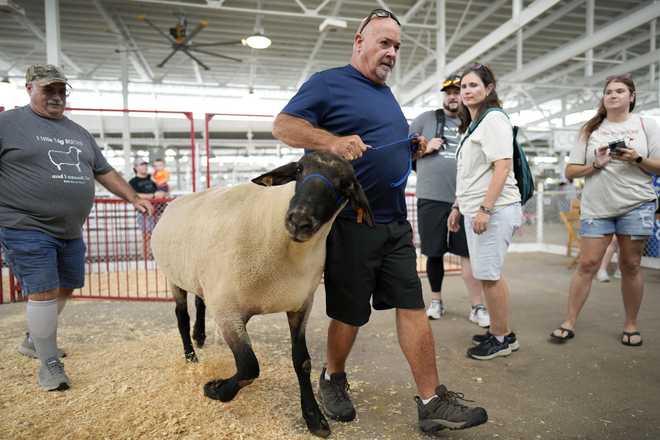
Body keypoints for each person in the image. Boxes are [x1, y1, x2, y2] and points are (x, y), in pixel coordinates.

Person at [271, 9, 487, 434]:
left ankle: (430, 402)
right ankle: (333, 377)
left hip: (394, 223)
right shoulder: (328, 82)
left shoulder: (386, 94)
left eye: (397, 47)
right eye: (384, 43)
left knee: (413, 307)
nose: (392, 52)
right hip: (352, 223)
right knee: (350, 315)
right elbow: (284, 126)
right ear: (359, 41)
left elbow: (380, 148)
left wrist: (411, 148)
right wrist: (331, 142)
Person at [0, 64, 153, 391]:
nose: (56, 97)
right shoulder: (8, 124)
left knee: (66, 285)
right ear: (29, 88)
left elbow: (104, 171)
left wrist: (133, 196)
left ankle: (33, 340)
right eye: (48, 90)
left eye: (61, 91)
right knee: (42, 289)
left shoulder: (78, 132)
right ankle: (49, 364)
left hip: (69, 229)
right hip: (24, 224)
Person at [550, 74, 660, 347]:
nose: (613, 95)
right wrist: (595, 165)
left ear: (631, 97)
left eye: (620, 91)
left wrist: (637, 158)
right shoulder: (590, 130)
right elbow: (570, 170)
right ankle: (569, 321)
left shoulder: (648, 125)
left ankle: (631, 324)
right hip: (597, 207)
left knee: (631, 265)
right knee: (587, 264)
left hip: (637, 205)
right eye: (608, 91)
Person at [448, 63, 522, 361]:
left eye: (473, 85)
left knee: (489, 276)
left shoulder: (493, 119)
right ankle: (500, 330)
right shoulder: (474, 124)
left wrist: (484, 209)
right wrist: (457, 207)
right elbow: (471, 173)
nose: (466, 91)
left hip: (495, 208)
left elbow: (502, 166)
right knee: (485, 273)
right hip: (475, 208)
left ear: (489, 89)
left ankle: (501, 338)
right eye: (464, 86)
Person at [409, 74, 489, 326]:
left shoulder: (474, 121)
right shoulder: (426, 119)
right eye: (449, 92)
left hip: (466, 198)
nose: (453, 96)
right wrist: (424, 148)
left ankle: (477, 306)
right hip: (431, 196)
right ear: (445, 96)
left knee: (468, 253)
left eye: (458, 91)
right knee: (433, 252)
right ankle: (436, 300)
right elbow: (402, 148)